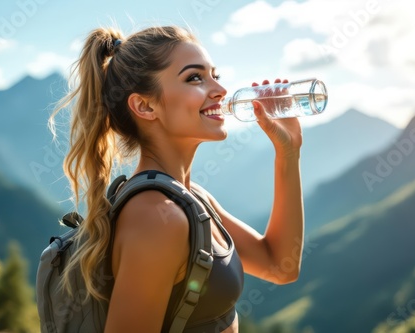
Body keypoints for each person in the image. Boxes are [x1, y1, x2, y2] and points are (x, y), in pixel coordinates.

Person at [53, 25, 304, 332]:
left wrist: (288, 153)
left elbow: (280, 266)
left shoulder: (191, 198)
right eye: (195, 77)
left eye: (215, 75)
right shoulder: (158, 217)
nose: (220, 90)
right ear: (145, 106)